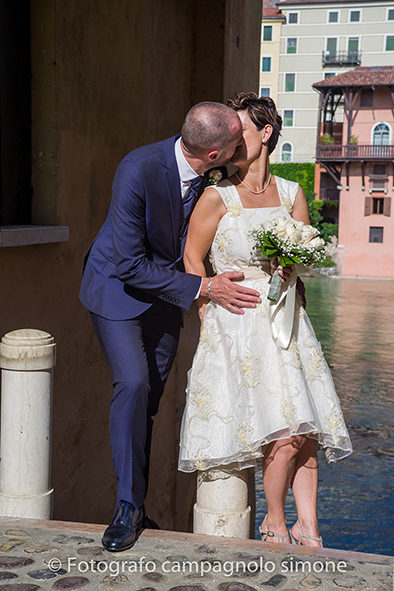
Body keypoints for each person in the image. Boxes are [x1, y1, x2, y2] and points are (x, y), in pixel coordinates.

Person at [79, 101, 263, 552]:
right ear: (215, 153)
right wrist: (203, 288)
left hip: (166, 297)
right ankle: (126, 508)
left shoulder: (218, 173)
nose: (243, 145)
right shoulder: (138, 169)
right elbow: (128, 264)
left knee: (149, 402)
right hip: (117, 290)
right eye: (236, 140)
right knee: (134, 383)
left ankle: (137, 504)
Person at [178, 92, 352, 547]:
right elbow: (192, 258)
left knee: (305, 430)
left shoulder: (293, 193)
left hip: (287, 320)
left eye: (242, 131)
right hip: (235, 323)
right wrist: (206, 313)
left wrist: (291, 269)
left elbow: (300, 255)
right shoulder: (217, 196)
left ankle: (308, 527)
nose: (234, 140)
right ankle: (275, 521)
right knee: (280, 432)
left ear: (266, 134)